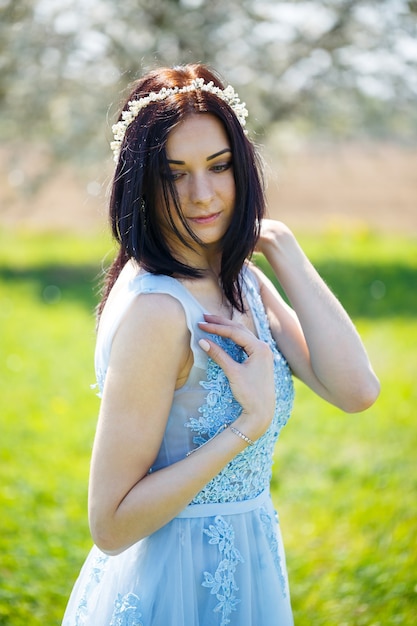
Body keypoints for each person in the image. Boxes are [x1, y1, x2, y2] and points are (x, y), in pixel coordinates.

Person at [62, 63, 379, 626]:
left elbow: (356, 389)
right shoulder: (159, 311)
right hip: (171, 584)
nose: (201, 194)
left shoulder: (243, 283)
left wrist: (281, 244)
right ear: (141, 180)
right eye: (173, 172)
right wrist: (246, 426)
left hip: (250, 566)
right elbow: (110, 525)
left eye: (219, 166)